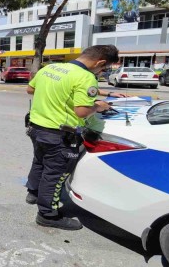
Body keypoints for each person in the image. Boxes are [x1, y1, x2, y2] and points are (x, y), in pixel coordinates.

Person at [25, 45, 120, 230]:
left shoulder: (51, 68)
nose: (102, 71)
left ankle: (33, 193)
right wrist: (99, 106)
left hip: (36, 127)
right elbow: (82, 111)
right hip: (60, 134)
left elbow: (30, 89)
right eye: (104, 68)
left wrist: (56, 99)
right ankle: (47, 214)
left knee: (40, 161)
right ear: (100, 62)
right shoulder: (86, 77)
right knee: (56, 173)